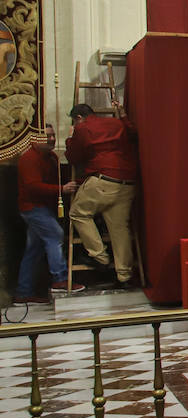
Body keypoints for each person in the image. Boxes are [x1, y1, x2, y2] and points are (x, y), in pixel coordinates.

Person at [65, 103, 139, 288]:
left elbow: (73, 157)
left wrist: (70, 138)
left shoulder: (83, 128)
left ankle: (100, 257)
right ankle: (124, 276)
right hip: (128, 180)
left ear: (79, 118)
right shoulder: (115, 123)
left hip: (103, 179)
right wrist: (122, 114)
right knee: (119, 228)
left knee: (78, 213)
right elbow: (133, 132)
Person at [15, 124, 82, 301]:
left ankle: (23, 292)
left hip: (43, 207)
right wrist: (61, 189)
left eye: (53, 136)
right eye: (47, 136)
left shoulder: (51, 156)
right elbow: (33, 187)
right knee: (55, 235)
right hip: (33, 207)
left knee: (34, 250)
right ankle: (60, 279)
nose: (52, 139)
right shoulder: (29, 158)